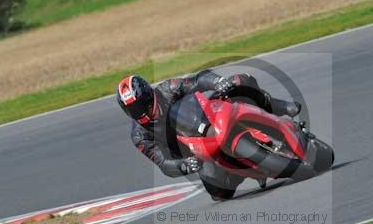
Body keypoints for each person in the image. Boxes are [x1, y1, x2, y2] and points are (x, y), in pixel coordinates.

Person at [116, 69, 301, 199]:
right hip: (198, 154)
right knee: (219, 193)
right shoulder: (140, 136)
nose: (140, 113)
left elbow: (198, 79)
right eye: (133, 110)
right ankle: (244, 170)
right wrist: (184, 166)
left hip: (209, 118)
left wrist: (218, 82)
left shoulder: (169, 89)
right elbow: (163, 164)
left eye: (141, 105)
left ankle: (277, 106)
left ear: (149, 94)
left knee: (240, 81)